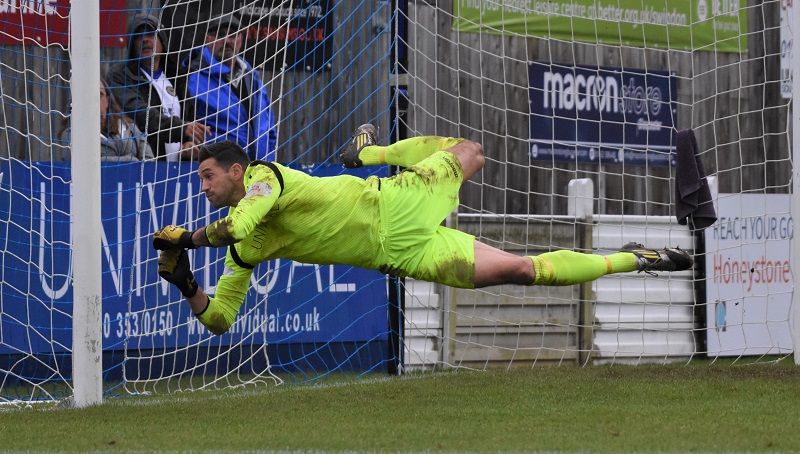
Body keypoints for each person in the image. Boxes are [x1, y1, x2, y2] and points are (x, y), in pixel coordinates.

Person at [153, 127, 693, 336]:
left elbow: (240, 221)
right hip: (403, 252)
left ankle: (372, 152)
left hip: (398, 200)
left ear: (237, 172)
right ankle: (635, 258)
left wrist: (188, 240)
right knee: (522, 270)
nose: (201, 185)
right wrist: (186, 286)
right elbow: (221, 320)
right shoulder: (245, 245)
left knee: (470, 151)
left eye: (207, 176)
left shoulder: (267, 179)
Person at [107, 13, 209, 161]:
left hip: (178, 170)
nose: (145, 40)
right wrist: (181, 129)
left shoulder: (176, 77)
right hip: (144, 166)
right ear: (131, 45)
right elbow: (140, 114)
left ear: (163, 40)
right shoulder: (121, 75)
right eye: (138, 36)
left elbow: (191, 118)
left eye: (151, 34)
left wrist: (190, 143)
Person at [182, 13, 277, 161]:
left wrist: (268, 163)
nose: (227, 41)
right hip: (217, 172)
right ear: (207, 39)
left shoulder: (253, 78)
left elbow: (269, 129)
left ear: (241, 40)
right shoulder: (190, 76)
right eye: (219, 35)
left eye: (233, 35)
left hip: (257, 173)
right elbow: (181, 123)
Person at [56, 78, 154, 162]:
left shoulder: (129, 127)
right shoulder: (71, 134)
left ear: (107, 101)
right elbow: (84, 163)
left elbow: (149, 160)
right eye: (89, 95)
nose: (95, 99)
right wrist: (129, 160)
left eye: (100, 94)